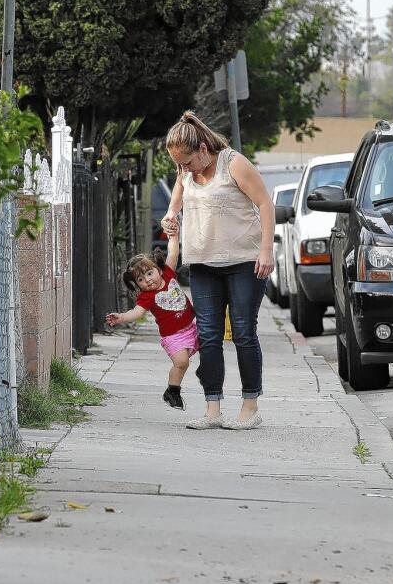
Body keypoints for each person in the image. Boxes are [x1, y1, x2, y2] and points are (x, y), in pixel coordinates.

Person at [161, 111, 275, 430]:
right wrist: (170, 216)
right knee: (209, 337)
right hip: (202, 264)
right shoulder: (185, 172)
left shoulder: (233, 163)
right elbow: (176, 202)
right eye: (178, 164)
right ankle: (213, 409)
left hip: (244, 262)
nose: (182, 169)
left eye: (186, 161)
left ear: (203, 150)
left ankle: (250, 406)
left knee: (242, 332)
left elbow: (265, 204)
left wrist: (266, 250)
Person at [105, 229, 198, 411]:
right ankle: (172, 390)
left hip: (192, 327)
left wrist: (174, 235)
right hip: (173, 336)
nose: (147, 280)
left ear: (158, 269)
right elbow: (137, 312)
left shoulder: (169, 274)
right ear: (137, 284)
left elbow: (173, 252)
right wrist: (122, 317)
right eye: (140, 279)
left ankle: (206, 374)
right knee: (181, 363)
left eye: (149, 273)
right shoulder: (146, 297)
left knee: (212, 344)